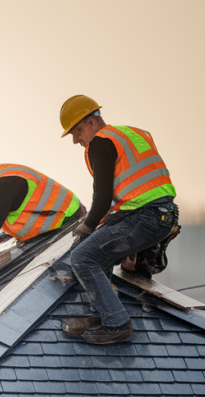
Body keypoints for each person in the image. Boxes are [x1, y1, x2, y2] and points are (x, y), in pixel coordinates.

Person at [59, 95, 179, 344]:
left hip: (144, 216)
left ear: (92, 122)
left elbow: (102, 198)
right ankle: (104, 314)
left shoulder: (101, 142)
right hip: (161, 214)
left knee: (82, 257)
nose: (75, 140)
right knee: (97, 251)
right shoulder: (131, 134)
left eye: (77, 131)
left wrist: (86, 227)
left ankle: (117, 324)